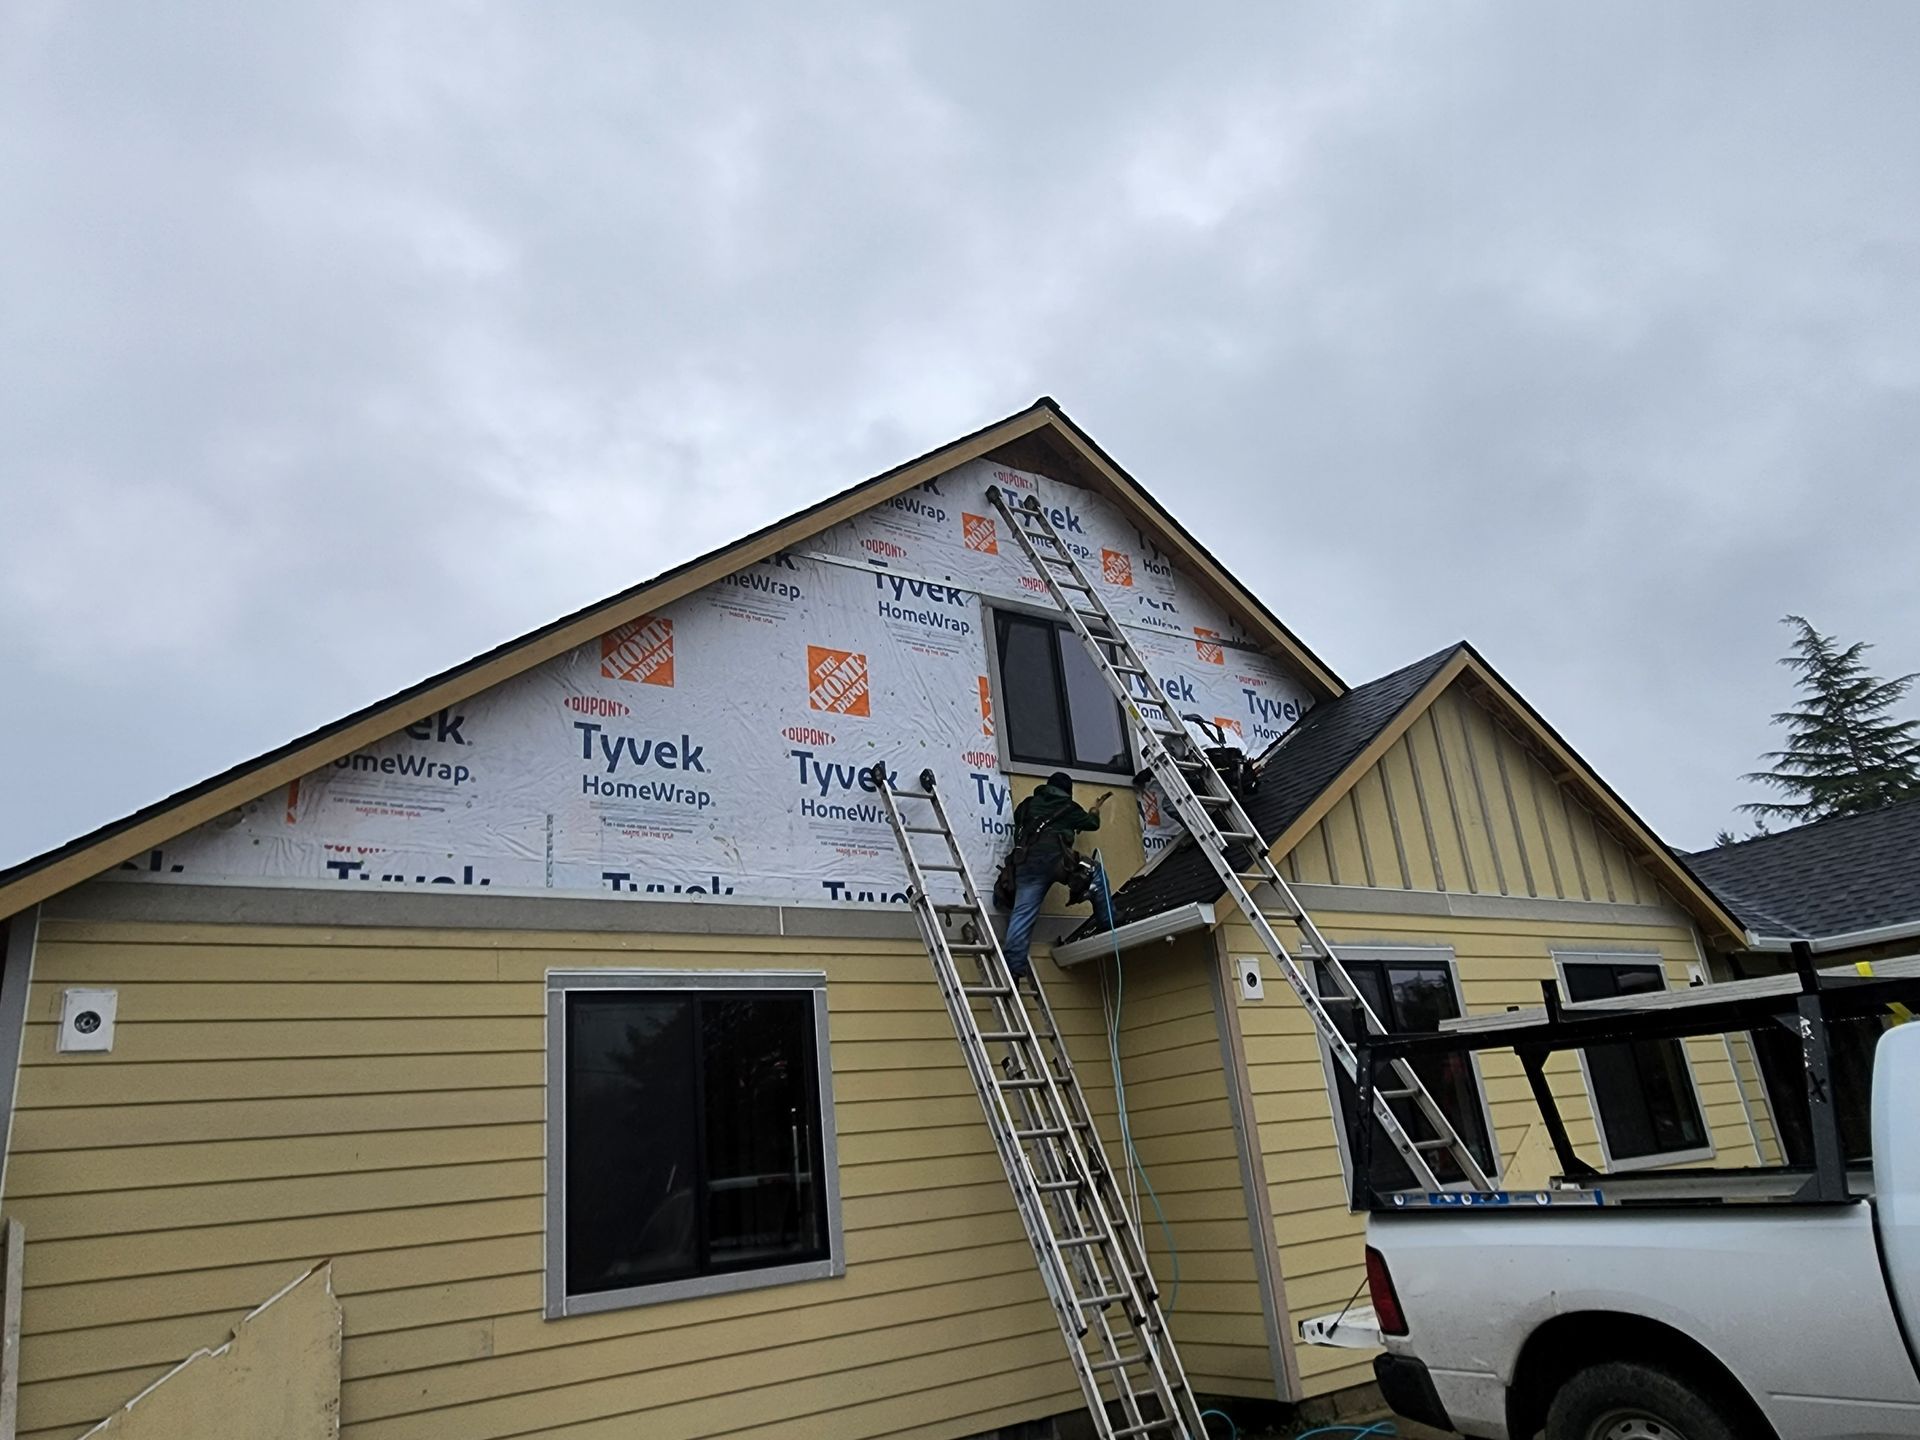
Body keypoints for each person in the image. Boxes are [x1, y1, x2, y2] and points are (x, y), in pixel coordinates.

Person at [1001, 771, 1108, 979]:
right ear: (1068, 791)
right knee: (1094, 871)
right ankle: (1107, 921)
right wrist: (1095, 810)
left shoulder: (1026, 805)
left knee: (1022, 914)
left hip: (1025, 863)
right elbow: (1091, 824)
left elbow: (1021, 823)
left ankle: (1013, 967)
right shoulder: (1069, 807)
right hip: (1054, 860)